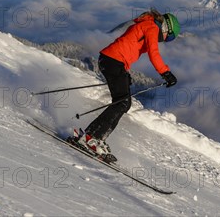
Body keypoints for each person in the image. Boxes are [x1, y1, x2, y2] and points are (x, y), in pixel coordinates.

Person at [73, 8, 180, 163]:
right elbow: (153, 53)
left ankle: (95, 136)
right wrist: (166, 73)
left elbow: (126, 46)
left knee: (124, 103)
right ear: (166, 28)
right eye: (167, 38)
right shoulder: (152, 27)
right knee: (122, 102)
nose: (163, 40)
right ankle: (91, 137)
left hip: (112, 61)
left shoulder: (147, 24)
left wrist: (125, 72)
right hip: (113, 62)